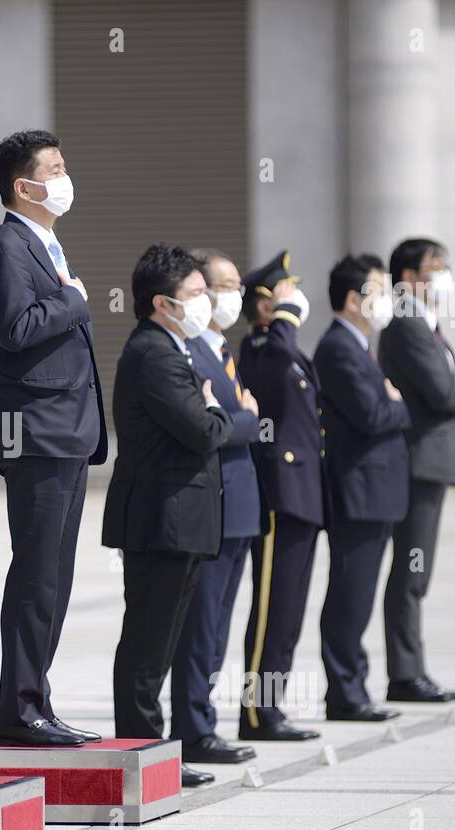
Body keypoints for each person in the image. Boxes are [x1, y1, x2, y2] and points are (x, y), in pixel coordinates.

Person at [0, 129, 106, 748]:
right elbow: (14, 330)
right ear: (23, 186)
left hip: (67, 434)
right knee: (36, 574)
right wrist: (74, 303)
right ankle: (19, 711)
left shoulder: (45, 244)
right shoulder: (6, 249)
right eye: (53, 169)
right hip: (37, 436)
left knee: (55, 576)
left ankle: (36, 702)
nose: (64, 177)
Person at [102, 244, 231, 788]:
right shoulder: (154, 352)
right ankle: (144, 757)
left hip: (181, 519)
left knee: (163, 641)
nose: (205, 302)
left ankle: (157, 757)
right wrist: (219, 408)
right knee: (147, 646)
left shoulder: (173, 347)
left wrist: (207, 405)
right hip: (162, 519)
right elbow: (202, 430)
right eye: (196, 294)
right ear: (162, 303)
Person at [168, 248, 259, 764]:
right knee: (201, 623)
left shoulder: (221, 349)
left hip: (239, 503)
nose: (230, 296)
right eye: (218, 286)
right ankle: (192, 726)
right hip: (215, 503)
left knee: (219, 621)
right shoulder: (193, 351)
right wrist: (244, 416)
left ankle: (204, 722)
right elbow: (218, 425)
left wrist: (236, 414)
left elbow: (228, 415)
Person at [314, 254, 410, 721]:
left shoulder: (359, 346)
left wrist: (390, 402)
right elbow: (373, 415)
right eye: (377, 291)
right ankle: (345, 693)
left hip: (376, 492)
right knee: (350, 594)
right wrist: (397, 403)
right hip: (358, 494)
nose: (386, 301)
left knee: (361, 593)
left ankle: (354, 687)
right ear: (353, 300)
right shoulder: (337, 348)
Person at [235, 250, 325, 741]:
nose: (296, 302)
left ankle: (272, 707)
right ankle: (256, 713)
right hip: (279, 497)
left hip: (303, 495)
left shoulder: (283, 349)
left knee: (289, 608)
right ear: (266, 305)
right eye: (287, 294)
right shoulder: (263, 350)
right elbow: (279, 366)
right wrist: (284, 319)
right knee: (271, 608)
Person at [378, 238, 455, 703]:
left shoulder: (427, 324)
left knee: (419, 569)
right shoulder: (406, 326)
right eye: (436, 266)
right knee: (411, 570)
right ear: (409, 276)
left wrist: (454, 388)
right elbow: (442, 393)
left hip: (432, 463)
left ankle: (411, 668)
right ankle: (406, 674)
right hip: (417, 462)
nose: (444, 274)